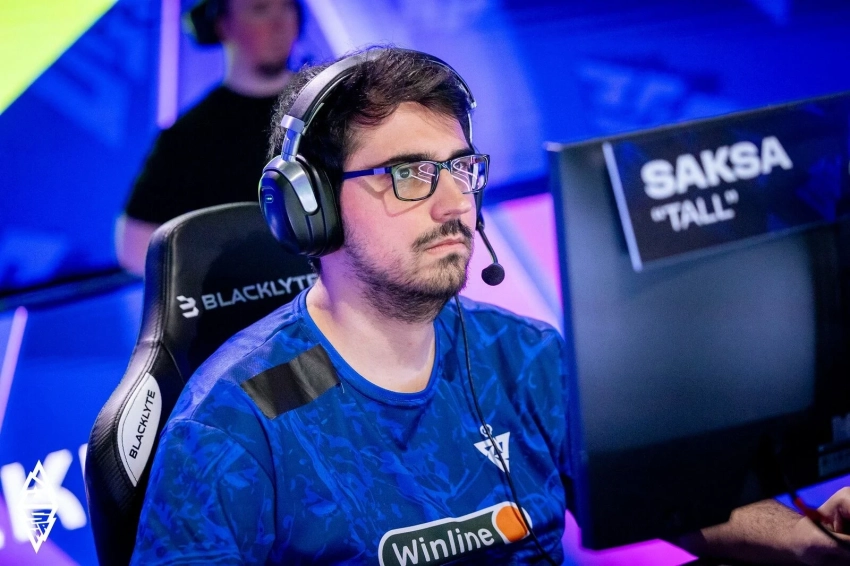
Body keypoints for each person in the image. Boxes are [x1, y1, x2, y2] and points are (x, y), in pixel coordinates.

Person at [131, 47, 850, 564]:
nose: (455, 204)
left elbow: (676, 504)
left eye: (462, 169)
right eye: (410, 174)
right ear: (308, 207)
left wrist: (813, 537)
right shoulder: (236, 421)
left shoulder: (527, 358)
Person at [116, 0, 303, 276]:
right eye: (260, 9)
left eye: (287, 7)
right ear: (222, 25)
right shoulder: (189, 136)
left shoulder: (330, 106)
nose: (280, 23)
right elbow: (134, 246)